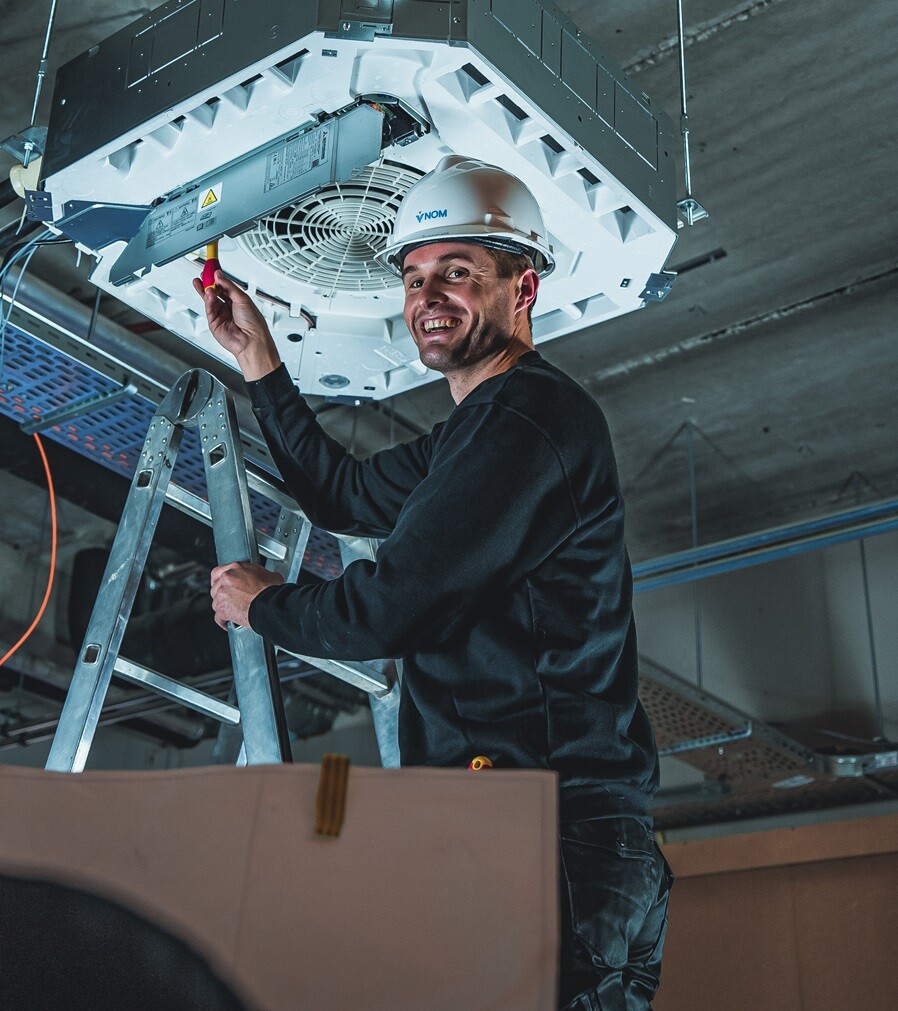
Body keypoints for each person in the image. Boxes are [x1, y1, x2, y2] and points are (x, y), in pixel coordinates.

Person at [194, 155, 672, 1009]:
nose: (428, 297)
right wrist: (261, 358)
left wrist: (262, 603)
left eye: (458, 271)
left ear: (521, 288)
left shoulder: (526, 421)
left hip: (548, 832)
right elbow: (342, 494)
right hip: (566, 839)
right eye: (414, 278)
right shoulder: (477, 431)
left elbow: (392, 609)